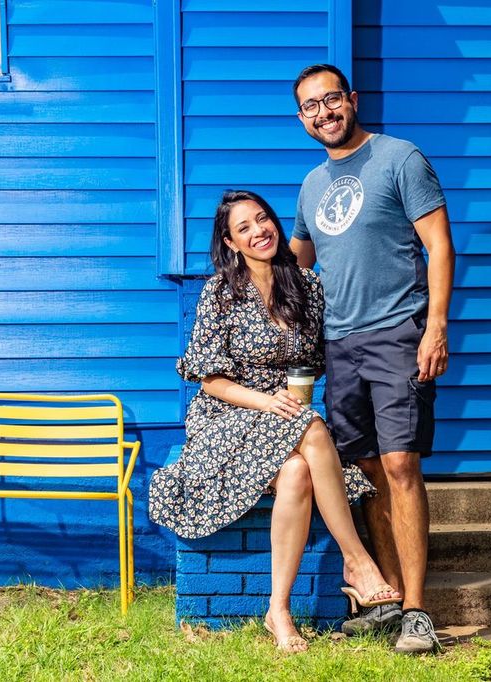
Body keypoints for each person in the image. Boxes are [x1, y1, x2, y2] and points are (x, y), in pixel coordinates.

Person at [148, 189, 401, 654]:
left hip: (286, 412)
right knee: (312, 427)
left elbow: (326, 355)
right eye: (243, 227)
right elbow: (210, 380)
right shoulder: (220, 293)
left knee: (299, 469)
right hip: (228, 416)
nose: (258, 231)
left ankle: (277, 611)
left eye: (262, 219)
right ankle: (357, 562)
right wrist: (266, 402)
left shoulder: (307, 286)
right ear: (230, 242)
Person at [289, 64, 455, 655]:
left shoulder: (399, 158)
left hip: (397, 332)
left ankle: (416, 611)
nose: (323, 113)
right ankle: (385, 603)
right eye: (311, 106)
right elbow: (298, 264)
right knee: (367, 474)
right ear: (302, 119)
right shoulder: (310, 186)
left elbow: (438, 244)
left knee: (402, 465)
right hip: (339, 345)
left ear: (352, 101)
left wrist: (434, 327)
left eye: (331, 100)